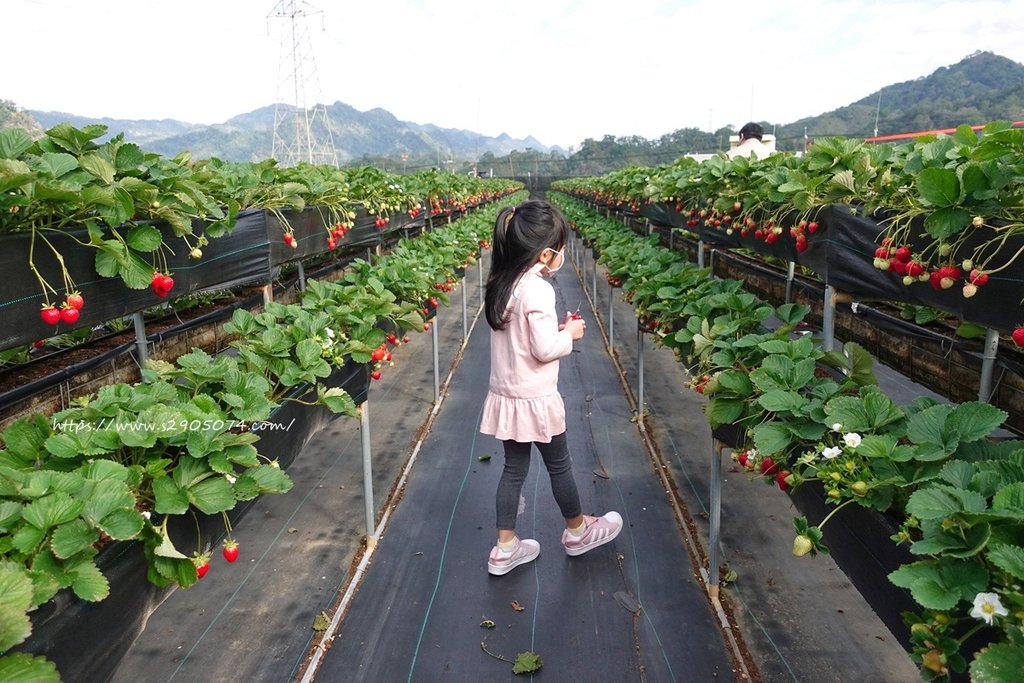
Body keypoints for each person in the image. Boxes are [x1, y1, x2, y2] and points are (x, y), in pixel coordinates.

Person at [479, 199, 623, 576]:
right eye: (559, 250)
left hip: (508, 396)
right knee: (560, 466)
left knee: (513, 470)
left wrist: (557, 332)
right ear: (545, 254)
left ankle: (504, 548)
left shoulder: (501, 284)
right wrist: (570, 334)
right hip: (537, 399)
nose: (562, 256)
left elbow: (522, 342)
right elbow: (544, 350)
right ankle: (577, 532)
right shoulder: (537, 290)